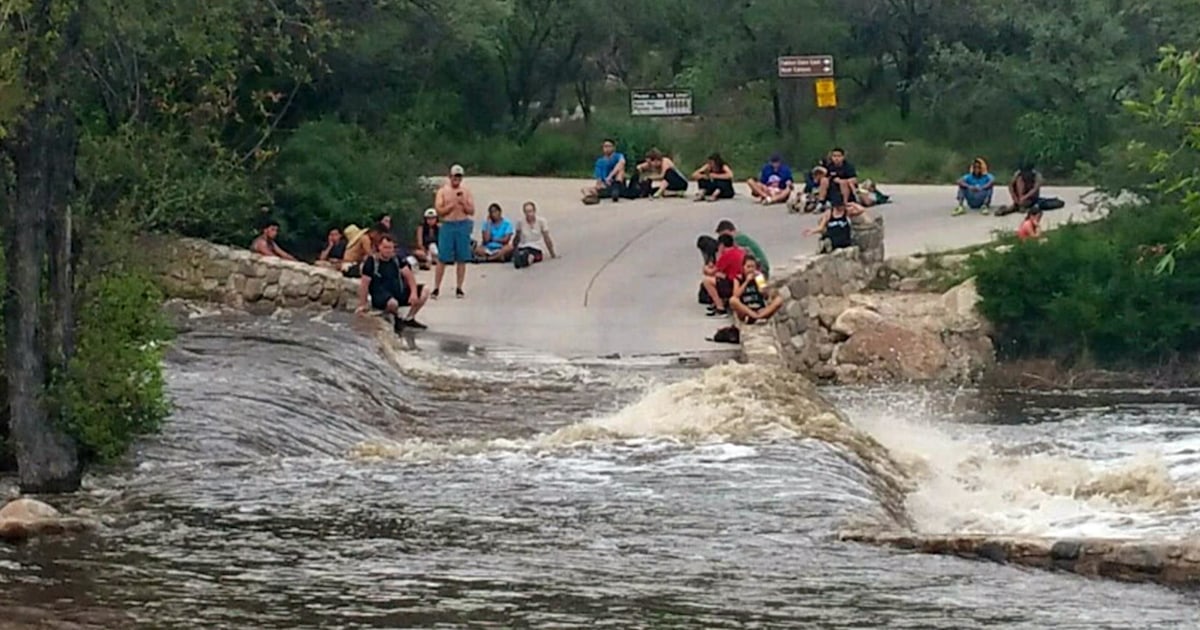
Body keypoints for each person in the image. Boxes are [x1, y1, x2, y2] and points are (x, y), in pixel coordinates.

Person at [355, 235, 431, 332]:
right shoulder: (371, 262)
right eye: (385, 247)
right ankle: (395, 318)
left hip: (398, 291)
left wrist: (413, 293)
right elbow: (364, 284)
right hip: (381, 295)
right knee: (392, 303)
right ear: (379, 247)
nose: (388, 251)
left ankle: (409, 318)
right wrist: (363, 304)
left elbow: (409, 276)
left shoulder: (397, 259)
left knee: (425, 290)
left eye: (390, 248)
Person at [434, 164, 475, 298]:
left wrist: (463, 203)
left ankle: (459, 287)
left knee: (461, 258)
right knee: (443, 257)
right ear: (450, 176)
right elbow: (439, 211)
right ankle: (436, 287)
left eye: (459, 176)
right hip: (448, 225)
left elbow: (471, 211)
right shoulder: (443, 191)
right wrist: (451, 205)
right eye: (454, 176)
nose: (456, 179)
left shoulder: (466, 191)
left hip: (462, 224)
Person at [700, 233, 744, 317]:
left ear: (722, 245)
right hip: (738, 280)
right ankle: (719, 303)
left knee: (707, 281)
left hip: (733, 284)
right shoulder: (739, 251)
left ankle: (720, 307)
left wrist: (705, 268)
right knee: (717, 277)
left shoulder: (726, 255)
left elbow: (711, 272)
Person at [730, 256, 783, 324]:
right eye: (748, 267)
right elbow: (736, 295)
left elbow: (765, 295)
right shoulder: (738, 279)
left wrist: (760, 282)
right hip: (746, 309)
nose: (750, 269)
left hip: (759, 308)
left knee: (779, 300)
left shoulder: (758, 277)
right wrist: (746, 281)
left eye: (753, 267)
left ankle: (759, 317)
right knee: (732, 300)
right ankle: (755, 316)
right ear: (743, 267)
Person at [513, 201, 557, 268]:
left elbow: (546, 237)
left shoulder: (541, 221)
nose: (529, 214)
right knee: (523, 252)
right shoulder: (520, 222)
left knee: (532, 255)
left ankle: (526, 260)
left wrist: (552, 253)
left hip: (536, 247)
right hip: (524, 246)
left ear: (534, 211)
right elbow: (517, 237)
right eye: (526, 212)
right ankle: (521, 259)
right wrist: (514, 249)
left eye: (530, 211)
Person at [583, 139, 627, 203]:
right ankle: (591, 198)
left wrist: (609, 177)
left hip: (618, 184)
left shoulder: (618, 156)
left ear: (613, 148)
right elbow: (599, 178)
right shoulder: (600, 161)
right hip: (607, 185)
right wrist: (600, 184)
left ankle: (615, 191)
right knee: (585, 189)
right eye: (605, 146)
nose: (607, 148)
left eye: (609, 146)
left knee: (621, 168)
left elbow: (622, 162)